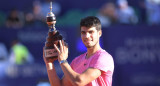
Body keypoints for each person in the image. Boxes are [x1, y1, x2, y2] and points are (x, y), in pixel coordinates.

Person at [43, 16, 114, 86]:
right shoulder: (76, 61)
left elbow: (79, 82)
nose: (86, 36)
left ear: (99, 33)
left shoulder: (104, 58)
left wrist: (63, 61)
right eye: (83, 32)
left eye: (90, 32)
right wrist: (49, 63)